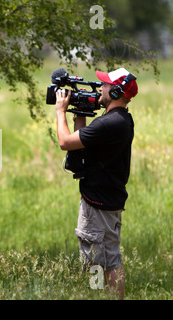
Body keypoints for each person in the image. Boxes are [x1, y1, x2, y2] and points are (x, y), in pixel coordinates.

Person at [55, 68, 138, 299]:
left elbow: (64, 142)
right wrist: (80, 113)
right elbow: (81, 146)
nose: (100, 88)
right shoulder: (122, 119)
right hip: (110, 200)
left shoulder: (109, 124)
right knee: (111, 260)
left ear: (116, 92)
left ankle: (97, 296)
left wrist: (61, 111)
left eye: (105, 85)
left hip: (97, 205)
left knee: (95, 263)